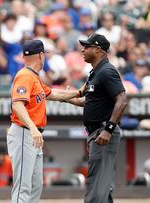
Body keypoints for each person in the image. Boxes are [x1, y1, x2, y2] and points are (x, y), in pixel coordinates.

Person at [7, 39, 83, 203]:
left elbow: (54, 94)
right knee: (23, 187)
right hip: (24, 133)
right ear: (41, 56)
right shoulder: (25, 76)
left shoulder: (34, 77)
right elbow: (18, 104)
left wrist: (79, 92)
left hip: (32, 135)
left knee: (36, 185)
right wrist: (33, 128)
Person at [66, 34, 127, 203]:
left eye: (87, 46)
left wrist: (108, 129)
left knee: (96, 188)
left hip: (103, 134)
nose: (83, 50)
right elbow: (93, 101)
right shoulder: (95, 72)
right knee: (102, 188)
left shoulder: (107, 71)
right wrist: (67, 98)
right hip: (97, 133)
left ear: (98, 50)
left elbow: (122, 100)